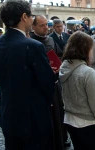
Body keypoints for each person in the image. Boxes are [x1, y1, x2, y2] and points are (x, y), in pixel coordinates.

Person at [0, 0, 56, 149]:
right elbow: (47, 83)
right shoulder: (32, 46)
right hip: (32, 117)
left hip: (9, 114)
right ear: (24, 17)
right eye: (31, 16)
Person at [59, 31, 95, 150]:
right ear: (85, 49)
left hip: (70, 120)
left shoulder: (65, 66)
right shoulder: (87, 73)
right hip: (88, 124)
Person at [30, 15, 65, 149]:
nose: (46, 28)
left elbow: (59, 54)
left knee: (58, 116)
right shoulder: (30, 41)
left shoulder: (50, 39)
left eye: (47, 24)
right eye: (42, 25)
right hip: (39, 88)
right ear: (33, 27)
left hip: (54, 84)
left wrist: (59, 64)